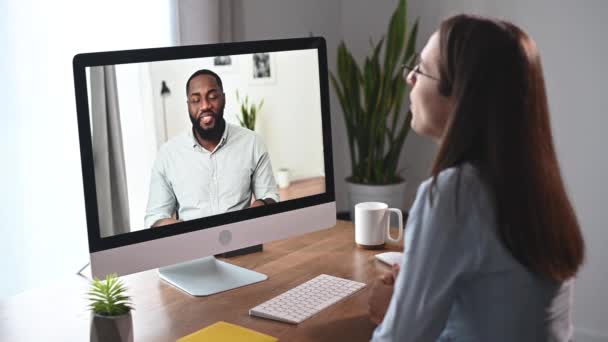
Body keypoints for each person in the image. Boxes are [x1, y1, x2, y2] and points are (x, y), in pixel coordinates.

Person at [368, 14, 585, 341]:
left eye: (422, 69)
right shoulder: (536, 184)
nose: (409, 77)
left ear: (461, 94)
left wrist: (389, 311)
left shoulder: (453, 193)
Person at [144, 69, 279, 228]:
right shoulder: (168, 154)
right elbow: (155, 217)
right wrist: (179, 232)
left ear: (224, 99)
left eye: (213, 97)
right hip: (192, 246)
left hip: (243, 238)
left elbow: (271, 196)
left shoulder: (252, 143)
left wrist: (260, 206)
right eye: (196, 100)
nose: (205, 105)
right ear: (188, 105)